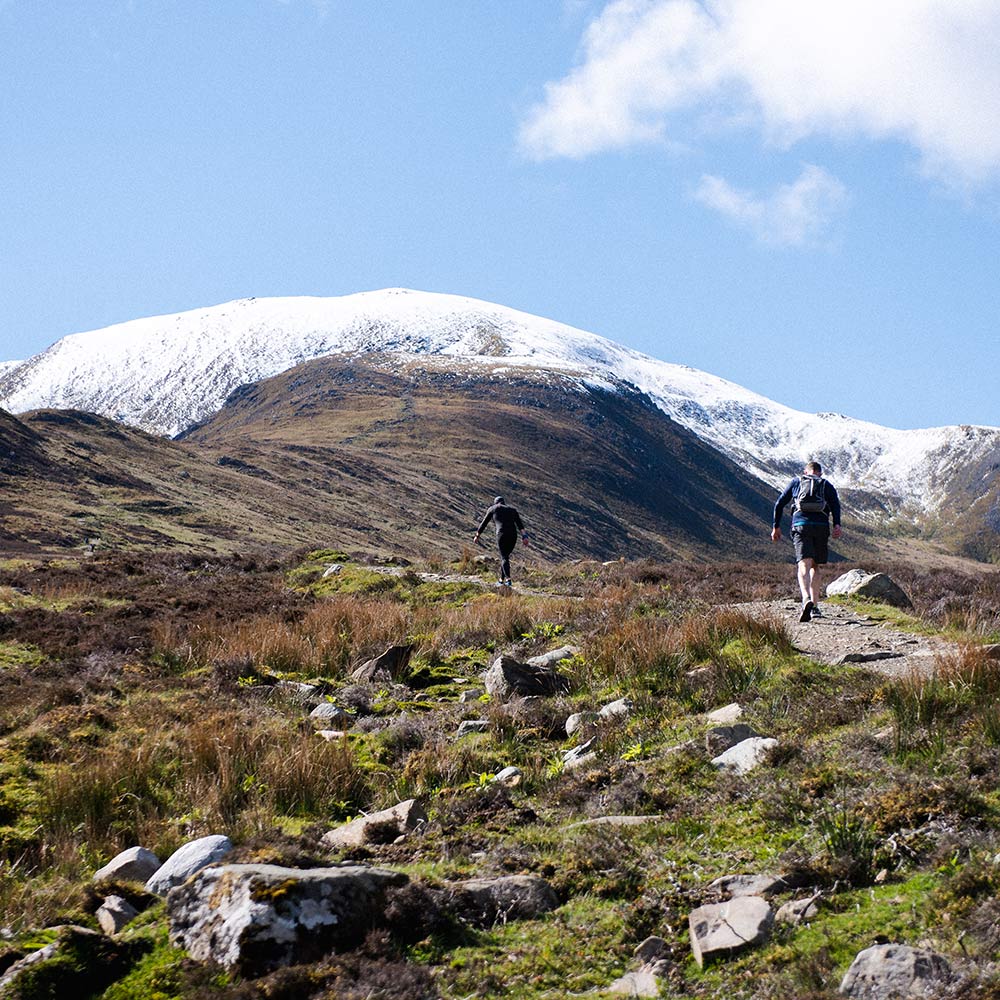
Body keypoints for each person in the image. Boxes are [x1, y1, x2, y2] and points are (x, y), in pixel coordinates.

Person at [771, 461, 842, 622]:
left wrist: (776, 526)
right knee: (815, 566)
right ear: (820, 473)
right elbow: (836, 506)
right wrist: (837, 524)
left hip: (800, 525)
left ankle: (805, 598)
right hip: (821, 526)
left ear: (805, 472)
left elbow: (779, 503)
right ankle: (815, 607)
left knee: (804, 564)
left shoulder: (797, 482)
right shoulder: (826, 484)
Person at [473, 496, 529, 587]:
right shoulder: (512, 510)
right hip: (513, 535)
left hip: (502, 535)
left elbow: (484, 523)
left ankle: (508, 580)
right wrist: (525, 537)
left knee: (504, 557)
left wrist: (477, 535)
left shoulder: (493, 508)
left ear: (496, 502)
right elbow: (520, 525)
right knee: (505, 557)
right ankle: (501, 580)